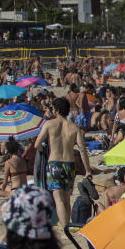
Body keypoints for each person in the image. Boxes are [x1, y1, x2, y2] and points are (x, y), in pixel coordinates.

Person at [32, 96, 89, 227]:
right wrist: (87, 170)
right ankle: (68, 225)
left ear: (56, 110)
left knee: (59, 200)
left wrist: (43, 150)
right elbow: (82, 150)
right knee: (67, 199)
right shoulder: (74, 127)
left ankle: (65, 228)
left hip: (54, 164)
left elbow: (37, 144)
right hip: (70, 165)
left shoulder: (49, 124)